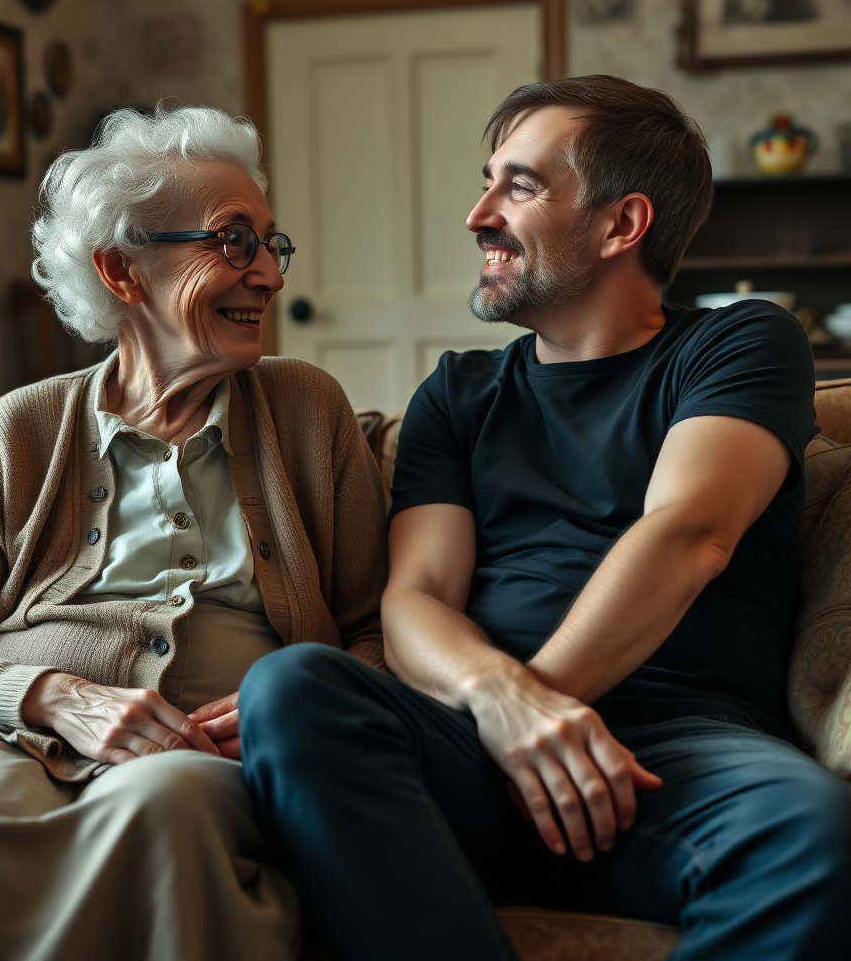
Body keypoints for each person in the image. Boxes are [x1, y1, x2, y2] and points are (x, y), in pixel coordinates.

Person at [239, 75, 851, 960]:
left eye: (519, 185)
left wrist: (542, 705)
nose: (478, 214)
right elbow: (415, 597)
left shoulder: (739, 342)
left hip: (674, 753)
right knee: (293, 687)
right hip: (473, 736)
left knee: (817, 841)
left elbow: (690, 532)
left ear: (621, 225)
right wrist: (504, 704)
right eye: (487, 180)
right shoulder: (460, 392)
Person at [0, 105, 388, 961]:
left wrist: (300, 708)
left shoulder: (308, 410)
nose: (268, 276)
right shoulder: (22, 429)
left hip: (194, 757)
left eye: (271, 245)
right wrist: (56, 698)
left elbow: (376, 633)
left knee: (166, 817)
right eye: (234, 241)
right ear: (123, 272)